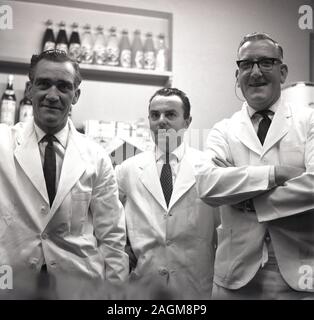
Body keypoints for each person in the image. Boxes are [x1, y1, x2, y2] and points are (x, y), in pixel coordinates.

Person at [115, 87, 299, 299]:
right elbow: (108, 219)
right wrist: (125, 251)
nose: (161, 121)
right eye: (155, 115)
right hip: (143, 287)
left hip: (196, 286)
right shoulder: (127, 169)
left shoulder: (209, 166)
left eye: (171, 114)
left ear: (187, 122)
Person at [0, 49, 128, 298]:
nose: (52, 95)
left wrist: (115, 296)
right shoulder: (2, 142)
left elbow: (111, 235)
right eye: (44, 84)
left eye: (63, 87)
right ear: (29, 90)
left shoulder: (96, 157)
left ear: (75, 95)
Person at [206, 32, 314, 299]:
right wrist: (275, 174)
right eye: (246, 64)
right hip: (235, 275)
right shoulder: (223, 129)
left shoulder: (309, 121)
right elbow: (208, 184)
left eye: (266, 62)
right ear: (237, 74)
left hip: (299, 274)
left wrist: (249, 201)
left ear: (283, 71)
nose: (255, 72)